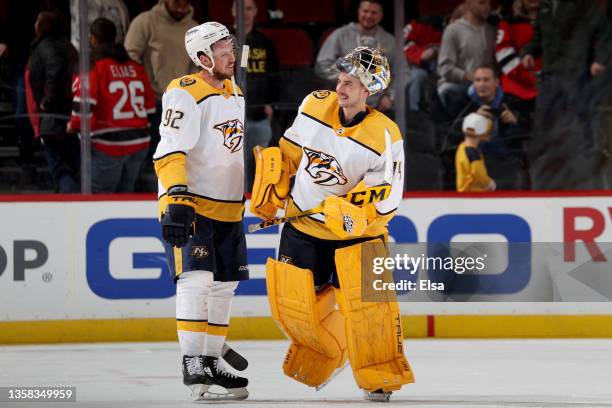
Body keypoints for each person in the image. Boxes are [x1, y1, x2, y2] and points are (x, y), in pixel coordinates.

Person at [250, 47, 414, 401]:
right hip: (303, 227)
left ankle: (379, 374)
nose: (341, 88)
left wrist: (353, 213)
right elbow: (290, 152)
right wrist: (273, 189)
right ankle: (333, 349)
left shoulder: (385, 135)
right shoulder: (314, 105)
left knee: (371, 311)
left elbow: (388, 197)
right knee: (292, 306)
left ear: (367, 92)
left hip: (358, 235)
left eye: (350, 84)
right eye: (341, 80)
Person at [153, 21, 249, 401]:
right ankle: (192, 359)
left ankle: (211, 360)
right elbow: (170, 148)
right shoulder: (184, 92)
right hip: (190, 203)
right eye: (223, 50)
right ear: (203, 57)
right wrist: (175, 196)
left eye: (231, 47)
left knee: (225, 284)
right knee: (196, 280)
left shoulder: (234, 91)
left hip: (228, 206)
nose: (232, 55)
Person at [67, 18, 155, 193]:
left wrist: (73, 126)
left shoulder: (94, 66)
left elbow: (84, 106)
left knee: (101, 200)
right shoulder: (135, 67)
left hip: (109, 144)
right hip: (139, 142)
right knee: (125, 196)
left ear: (92, 39)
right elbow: (151, 108)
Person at [125, 0, 197, 189]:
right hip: (151, 103)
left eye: (185, 3)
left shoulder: (193, 28)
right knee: (148, 156)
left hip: (180, 105)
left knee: (176, 155)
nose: (181, 7)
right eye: (177, 3)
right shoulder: (145, 22)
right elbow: (130, 59)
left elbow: (197, 65)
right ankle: (144, 195)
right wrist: (145, 88)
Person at [28, 10, 80, 193]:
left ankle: (70, 200)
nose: (34, 25)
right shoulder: (66, 45)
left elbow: (55, 70)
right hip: (65, 115)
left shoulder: (48, 46)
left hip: (55, 117)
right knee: (69, 164)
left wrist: (47, 101)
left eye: (37, 21)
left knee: (60, 167)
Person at [230, 0, 279, 191]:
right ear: (233, 10)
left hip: (259, 113)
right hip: (231, 115)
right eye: (242, 8)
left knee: (262, 164)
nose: (245, 13)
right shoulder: (223, 40)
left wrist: (270, 104)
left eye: (249, 9)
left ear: (256, 11)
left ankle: (259, 201)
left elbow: (274, 75)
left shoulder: (264, 42)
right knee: (233, 164)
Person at [315, 0, 394, 113]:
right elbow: (322, 65)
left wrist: (390, 96)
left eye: (374, 13)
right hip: (342, 101)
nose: (368, 16)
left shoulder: (389, 41)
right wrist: (349, 79)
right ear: (359, 12)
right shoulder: (341, 34)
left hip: (377, 106)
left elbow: (401, 72)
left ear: (381, 16)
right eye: (365, 11)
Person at [437, 0, 496, 117]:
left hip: (488, 86)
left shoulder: (493, 31)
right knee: (447, 90)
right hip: (460, 86)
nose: (487, 7)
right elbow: (444, 68)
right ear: (469, 3)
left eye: (489, 3)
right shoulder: (453, 30)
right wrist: (469, 76)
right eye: (482, 3)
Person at [495, 0, 540, 119]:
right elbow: (503, 54)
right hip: (517, 88)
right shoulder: (509, 20)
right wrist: (529, 78)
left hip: (551, 85)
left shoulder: (555, 18)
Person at [456, 112, 496, 191]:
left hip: (463, 190)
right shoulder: (473, 152)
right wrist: (488, 183)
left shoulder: (461, 147)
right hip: (473, 191)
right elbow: (478, 172)